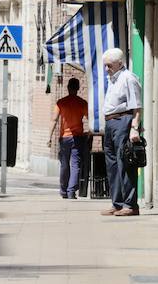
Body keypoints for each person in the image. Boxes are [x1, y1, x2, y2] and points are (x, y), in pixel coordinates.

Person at [99, 47, 143, 217]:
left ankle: (130, 205)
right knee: (112, 165)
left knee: (125, 162)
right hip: (110, 122)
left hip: (123, 121)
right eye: (105, 66)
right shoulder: (112, 79)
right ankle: (117, 203)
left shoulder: (128, 78)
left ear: (120, 63)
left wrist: (134, 127)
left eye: (109, 65)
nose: (106, 69)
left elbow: (137, 105)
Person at [48, 77, 91, 199]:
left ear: (67, 88)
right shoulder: (82, 103)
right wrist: (90, 132)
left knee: (64, 165)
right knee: (75, 164)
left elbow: (54, 120)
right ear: (78, 88)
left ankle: (63, 191)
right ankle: (71, 191)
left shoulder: (61, 102)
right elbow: (91, 120)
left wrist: (49, 137)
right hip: (77, 138)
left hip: (65, 138)